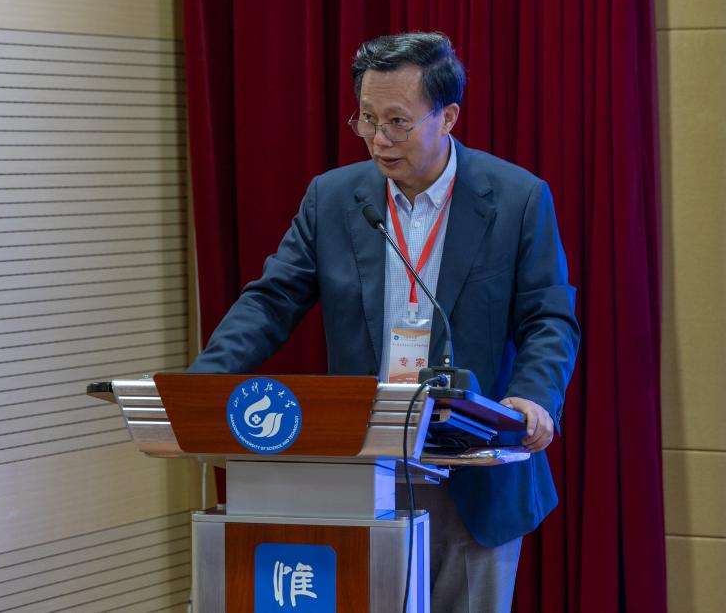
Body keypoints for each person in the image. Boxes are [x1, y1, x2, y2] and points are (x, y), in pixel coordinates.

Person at [189, 31, 580, 612]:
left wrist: (534, 396)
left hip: (471, 470)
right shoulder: (333, 197)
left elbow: (549, 316)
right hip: (361, 466)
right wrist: (201, 386)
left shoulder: (517, 198)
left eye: (398, 122)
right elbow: (272, 300)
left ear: (447, 117)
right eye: (367, 118)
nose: (378, 139)